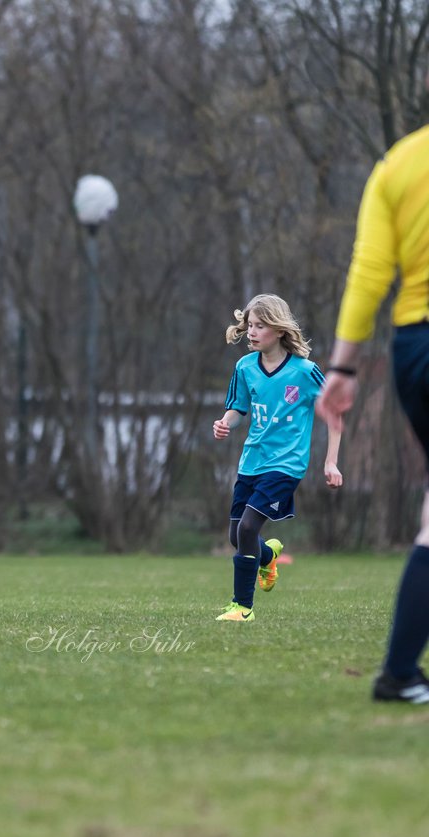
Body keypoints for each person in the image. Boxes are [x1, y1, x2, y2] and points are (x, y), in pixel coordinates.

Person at [316, 112, 429, 702]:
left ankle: (402, 674)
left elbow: (369, 271)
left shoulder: (398, 165)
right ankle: (399, 674)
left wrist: (342, 366)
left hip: (414, 345)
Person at [213, 294, 342, 622]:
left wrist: (331, 462)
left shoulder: (304, 372)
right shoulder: (244, 368)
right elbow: (237, 407)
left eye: (260, 326)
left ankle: (242, 608)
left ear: (279, 329)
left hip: (286, 465)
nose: (252, 332)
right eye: (250, 325)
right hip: (251, 461)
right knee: (237, 536)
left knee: (246, 529)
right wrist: (225, 423)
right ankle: (267, 556)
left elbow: (334, 414)